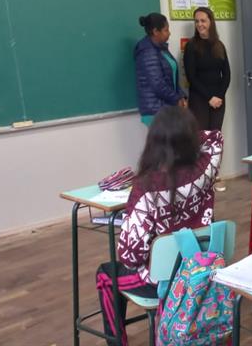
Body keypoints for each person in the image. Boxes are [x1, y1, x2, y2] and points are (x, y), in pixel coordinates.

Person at [96, 106, 223, 343]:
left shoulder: (146, 189)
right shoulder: (207, 167)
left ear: (154, 142)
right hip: (203, 268)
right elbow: (215, 136)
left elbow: (130, 257)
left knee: (105, 275)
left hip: (162, 280)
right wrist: (184, 134)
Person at [134, 13, 186, 126]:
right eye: (166, 30)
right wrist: (177, 99)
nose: (169, 33)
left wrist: (181, 96)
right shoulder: (147, 51)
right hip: (155, 111)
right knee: (164, 144)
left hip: (167, 107)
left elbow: (171, 78)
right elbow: (157, 84)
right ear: (155, 31)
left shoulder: (161, 48)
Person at [184, 7, 231, 132]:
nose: (199, 24)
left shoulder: (219, 45)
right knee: (201, 139)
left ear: (211, 22)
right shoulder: (191, 46)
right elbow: (191, 77)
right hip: (199, 99)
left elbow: (226, 74)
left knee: (215, 139)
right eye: (197, 21)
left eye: (203, 21)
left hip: (218, 100)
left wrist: (219, 96)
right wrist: (209, 97)